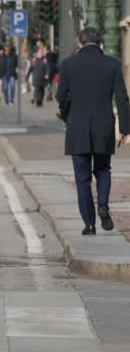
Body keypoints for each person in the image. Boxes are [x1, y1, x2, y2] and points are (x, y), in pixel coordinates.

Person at [55, 27, 130, 235]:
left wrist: (68, 111)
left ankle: (89, 224)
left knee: (82, 179)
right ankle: (103, 204)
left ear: (80, 44)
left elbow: (61, 97)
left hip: (77, 127)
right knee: (104, 169)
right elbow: (122, 98)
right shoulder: (112, 64)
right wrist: (124, 128)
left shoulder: (68, 65)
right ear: (100, 44)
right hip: (104, 125)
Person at [28, 43, 49, 107]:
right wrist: (27, 76)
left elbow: (47, 67)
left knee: (42, 90)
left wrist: (47, 74)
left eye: (41, 52)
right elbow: (30, 69)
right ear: (37, 53)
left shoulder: (44, 60)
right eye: (39, 52)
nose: (41, 53)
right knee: (37, 90)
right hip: (36, 78)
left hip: (42, 78)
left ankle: (40, 101)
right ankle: (37, 101)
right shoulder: (34, 60)